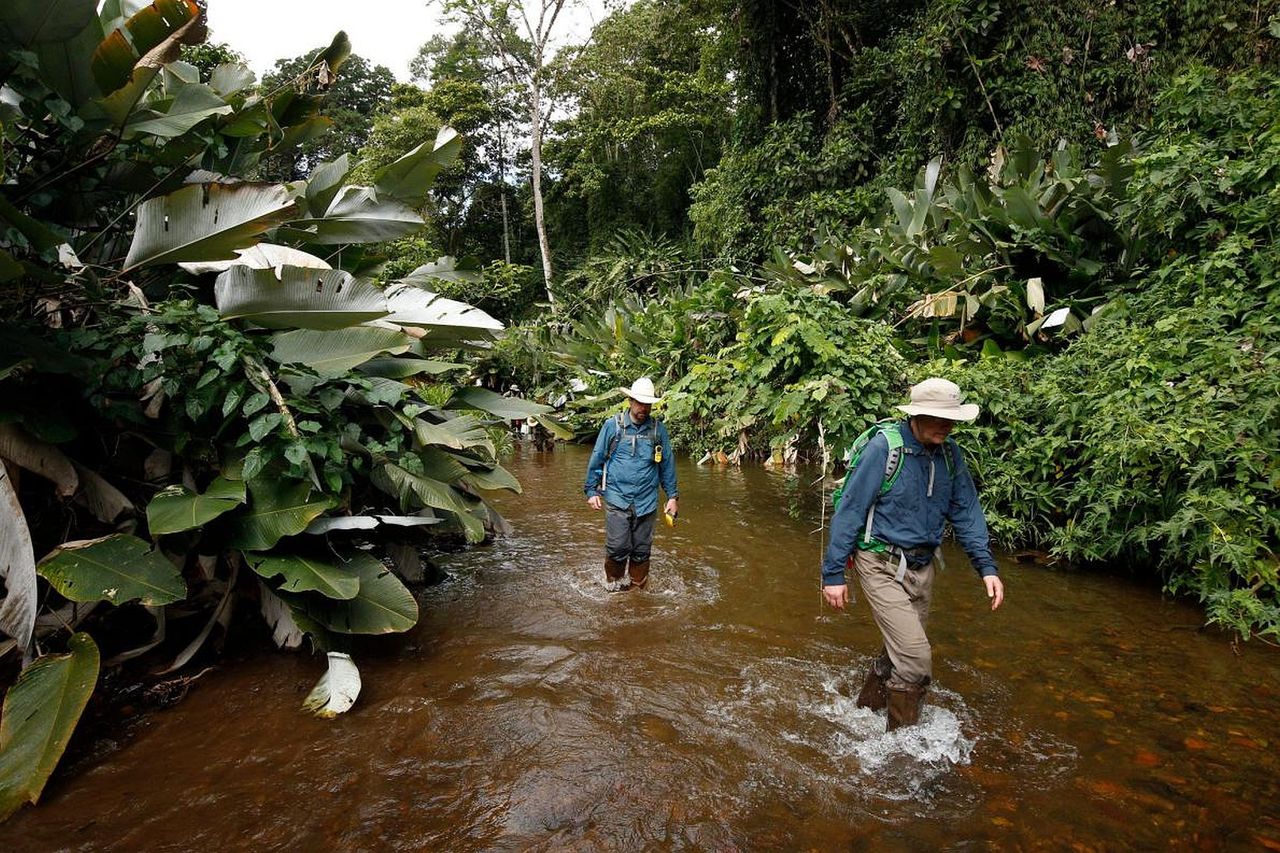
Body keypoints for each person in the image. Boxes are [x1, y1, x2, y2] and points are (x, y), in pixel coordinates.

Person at [820, 377, 1005, 731]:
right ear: (916, 416)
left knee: (900, 653)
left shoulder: (950, 455)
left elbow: (966, 511)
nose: (947, 426)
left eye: (951, 419)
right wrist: (833, 575)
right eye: (938, 418)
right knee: (916, 661)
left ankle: (864, 714)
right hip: (879, 562)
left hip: (923, 565)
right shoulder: (884, 450)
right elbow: (851, 511)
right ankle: (901, 749)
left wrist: (987, 568)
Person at [584, 377, 679, 591]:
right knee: (618, 547)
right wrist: (591, 491)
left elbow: (667, 464)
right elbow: (598, 458)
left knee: (642, 551)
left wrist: (672, 497)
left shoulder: (657, 431)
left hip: (647, 501)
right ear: (629, 401)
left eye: (647, 404)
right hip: (617, 498)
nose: (643, 408)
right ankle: (613, 587)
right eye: (639, 402)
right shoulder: (612, 427)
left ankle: (637, 591)